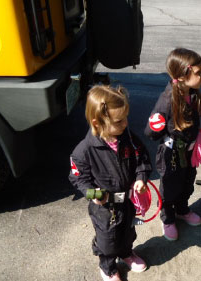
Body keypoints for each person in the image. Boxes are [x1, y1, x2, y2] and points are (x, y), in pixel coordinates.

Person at [69, 85, 152, 281]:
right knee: (107, 241)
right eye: (119, 121)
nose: (125, 123)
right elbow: (77, 178)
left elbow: (142, 159)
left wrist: (141, 177)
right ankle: (107, 267)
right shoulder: (84, 150)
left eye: (126, 117)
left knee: (127, 231)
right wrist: (92, 194)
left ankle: (126, 253)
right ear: (97, 122)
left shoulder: (129, 138)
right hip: (105, 207)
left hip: (127, 201)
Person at [144, 47, 201, 241]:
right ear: (181, 76)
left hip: (188, 152)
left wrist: (197, 139)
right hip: (171, 154)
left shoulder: (193, 93)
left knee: (187, 181)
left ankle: (181, 209)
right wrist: (159, 129)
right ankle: (168, 217)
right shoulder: (166, 101)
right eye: (198, 73)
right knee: (170, 186)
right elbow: (150, 132)